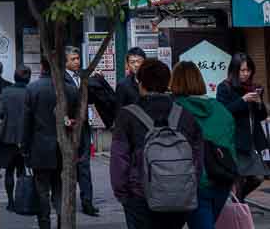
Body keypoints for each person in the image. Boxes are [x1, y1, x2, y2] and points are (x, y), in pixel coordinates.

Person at [110, 58, 203, 229]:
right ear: (167, 83)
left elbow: (119, 159)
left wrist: (123, 195)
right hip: (179, 194)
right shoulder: (185, 115)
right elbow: (197, 158)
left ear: (140, 82)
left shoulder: (127, 116)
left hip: (139, 196)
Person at [171, 61, 237, 229]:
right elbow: (230, 144)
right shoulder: (221, 109)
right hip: (223, 178)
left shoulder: (175, 110)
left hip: (195, 182)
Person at [23, 58, 75, 229]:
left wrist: (24, 147)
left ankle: (44, 223)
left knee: (42, 190)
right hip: (63, 148)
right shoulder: (70, 89)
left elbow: (27, 122)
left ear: (42, 66)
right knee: (60, 187)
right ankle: (62, 221)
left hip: (40, 147)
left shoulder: (32, 89)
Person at [216, 52, 269, 201]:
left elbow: (262, 116)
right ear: (234, 70)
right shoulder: (224, 87)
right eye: (242, 70)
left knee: (258, 176)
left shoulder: (255, 87)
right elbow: (222, 113)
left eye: (248, 70)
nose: (246, 74)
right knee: (238, 178)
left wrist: (259, 103)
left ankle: (237, 202)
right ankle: (237, 210)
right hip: (235, 141)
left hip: (252, 140)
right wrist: (243, 100)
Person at [64, 46, 98, 217]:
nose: (77, 62)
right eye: (73, 59)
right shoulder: (60, 79)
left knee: (84, 166)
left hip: (83, 126)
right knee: (68, 165)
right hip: (67, 128)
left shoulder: (83, 77)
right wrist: (65, 120)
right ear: (65, 62)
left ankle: (87, 202)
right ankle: (65, 201)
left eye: (78, 58)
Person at [0, 65, 30, 211]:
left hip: (7, 137)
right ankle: (21, 198)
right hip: (25, 138)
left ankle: (10, 202)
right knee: (22, 170)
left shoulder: (6, 92)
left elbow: (0, 113)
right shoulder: (30, 92)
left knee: (9, 170)